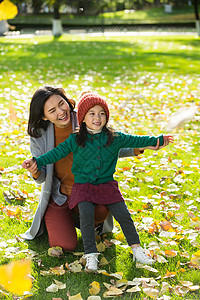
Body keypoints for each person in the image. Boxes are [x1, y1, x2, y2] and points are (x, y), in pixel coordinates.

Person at [22, 90, 174, 272]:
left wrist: (149, 143)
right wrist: (36, 165)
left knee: (110, 213)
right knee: (66, 243)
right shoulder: (55, 136)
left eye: (61, 104)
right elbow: (51, 157)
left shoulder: (88, 116)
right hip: (64, 193)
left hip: (101, 186)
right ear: (44, 117)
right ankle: (82, 244)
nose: (60, 112)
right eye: (52, 110)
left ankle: (137, 250)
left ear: (68, 102)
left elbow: (121, 141)